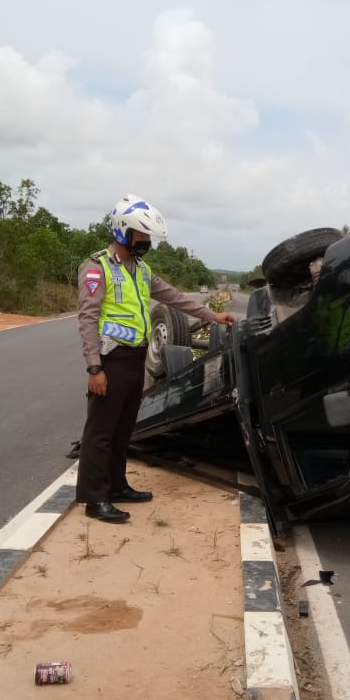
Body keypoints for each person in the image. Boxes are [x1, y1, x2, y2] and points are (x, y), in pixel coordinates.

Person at [76, 194, 236, 523]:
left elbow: (176, 298)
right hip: (110, 359)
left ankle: (118, 486)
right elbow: (87, 319)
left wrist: (212, 315)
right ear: (123, 232)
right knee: (101, 430)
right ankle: (95, 499)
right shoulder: (97, 268)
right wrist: (94, 367)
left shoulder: (142, 270)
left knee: (123, 429)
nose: (146, 242)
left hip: (135, 358)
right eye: (141, 236)